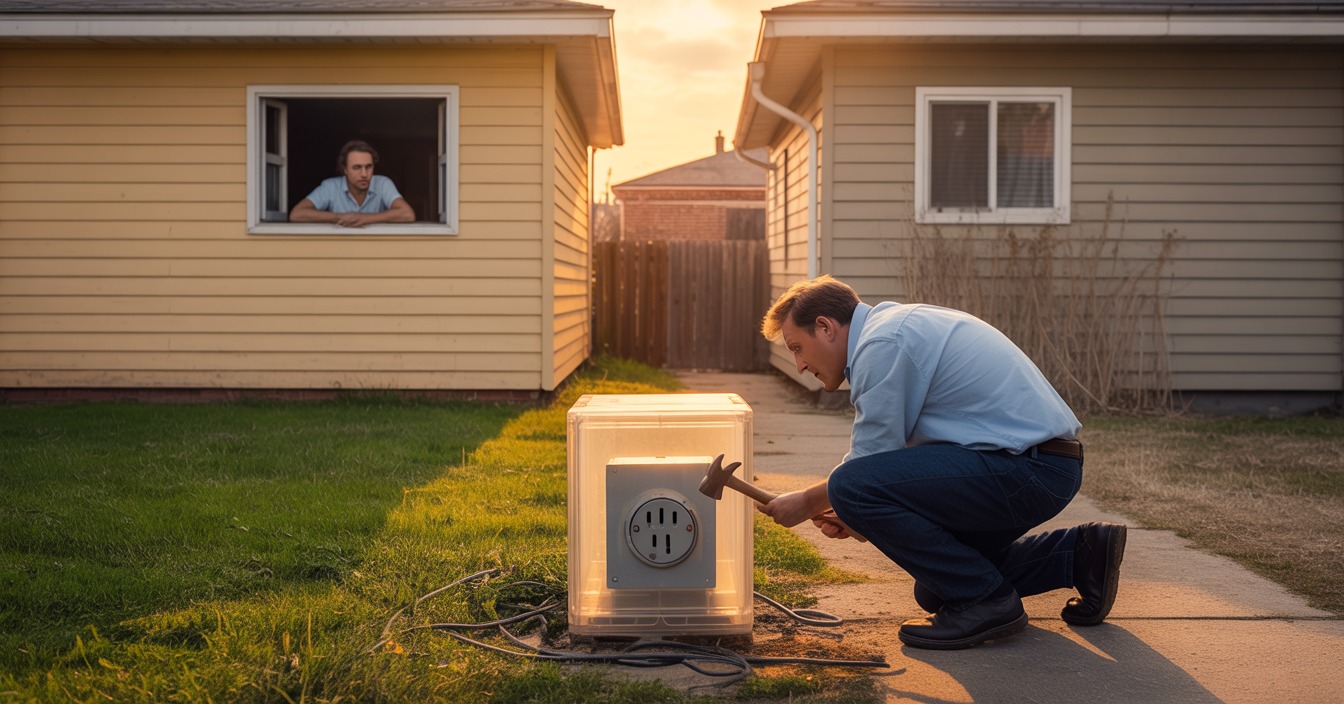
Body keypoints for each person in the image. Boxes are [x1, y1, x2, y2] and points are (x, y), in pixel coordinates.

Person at [756, 275, 1126, 650]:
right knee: (937, 590)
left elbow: (867, 466)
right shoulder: (896, 328)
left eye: (798, 348)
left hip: (1028, 469)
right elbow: (892, 475)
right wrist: (856, 514)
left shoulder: (882, 343)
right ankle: (1079, 553)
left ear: (825, 326)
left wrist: (809, 502)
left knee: (851, 486)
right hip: (1040, 466)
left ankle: (988, 601)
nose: (800, 365)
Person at [289, 140, 415, 227]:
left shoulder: (383, 183)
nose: (364, 174)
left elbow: (407, 214)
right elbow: (297, 214)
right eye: (357, 168)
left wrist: (364, 218)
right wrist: (339, 217)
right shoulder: (330, 186)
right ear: (344, 169)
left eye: (368, 167)